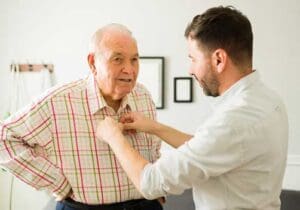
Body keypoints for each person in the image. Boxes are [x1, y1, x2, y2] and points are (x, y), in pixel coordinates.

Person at [96, 6, 289, 210]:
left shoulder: (233, 121)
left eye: (193, 59)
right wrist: (153, 127)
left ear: (218, 60)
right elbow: (212, 148)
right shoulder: (269, 100)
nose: (190, 70)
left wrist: (113, 137)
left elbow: (151, 183)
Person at [0, 23, 163, 210]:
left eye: (134, 59)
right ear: (93, 63)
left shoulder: (143, 96)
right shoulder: (57, 102)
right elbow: (4, 137)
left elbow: (154, 150)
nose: (130, 69)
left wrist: (159, 191)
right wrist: (57, 183)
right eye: (118, 59)